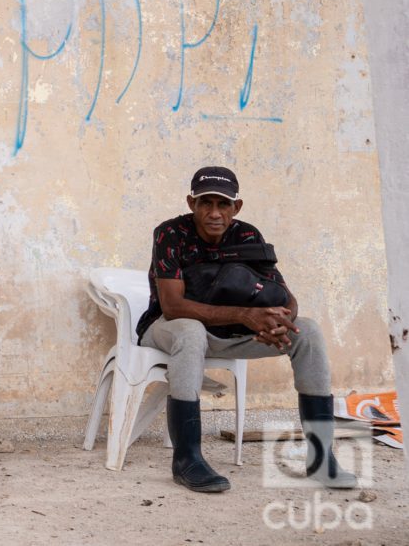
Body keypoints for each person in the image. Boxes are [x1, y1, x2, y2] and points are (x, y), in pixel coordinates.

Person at [137, 166, 358, 493]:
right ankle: (187, 459)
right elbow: (173, 306)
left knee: (306, 330)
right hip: (168, 330)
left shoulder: (248, 236)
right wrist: (245, 314)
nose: (214, 213)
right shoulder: (171, 234)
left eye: (223, 204)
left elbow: (285, 296)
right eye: (205, 203)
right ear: (191, 203)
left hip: (231, 334)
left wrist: (279, 323)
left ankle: (321, 457)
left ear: (235, 208)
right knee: (190, 330)